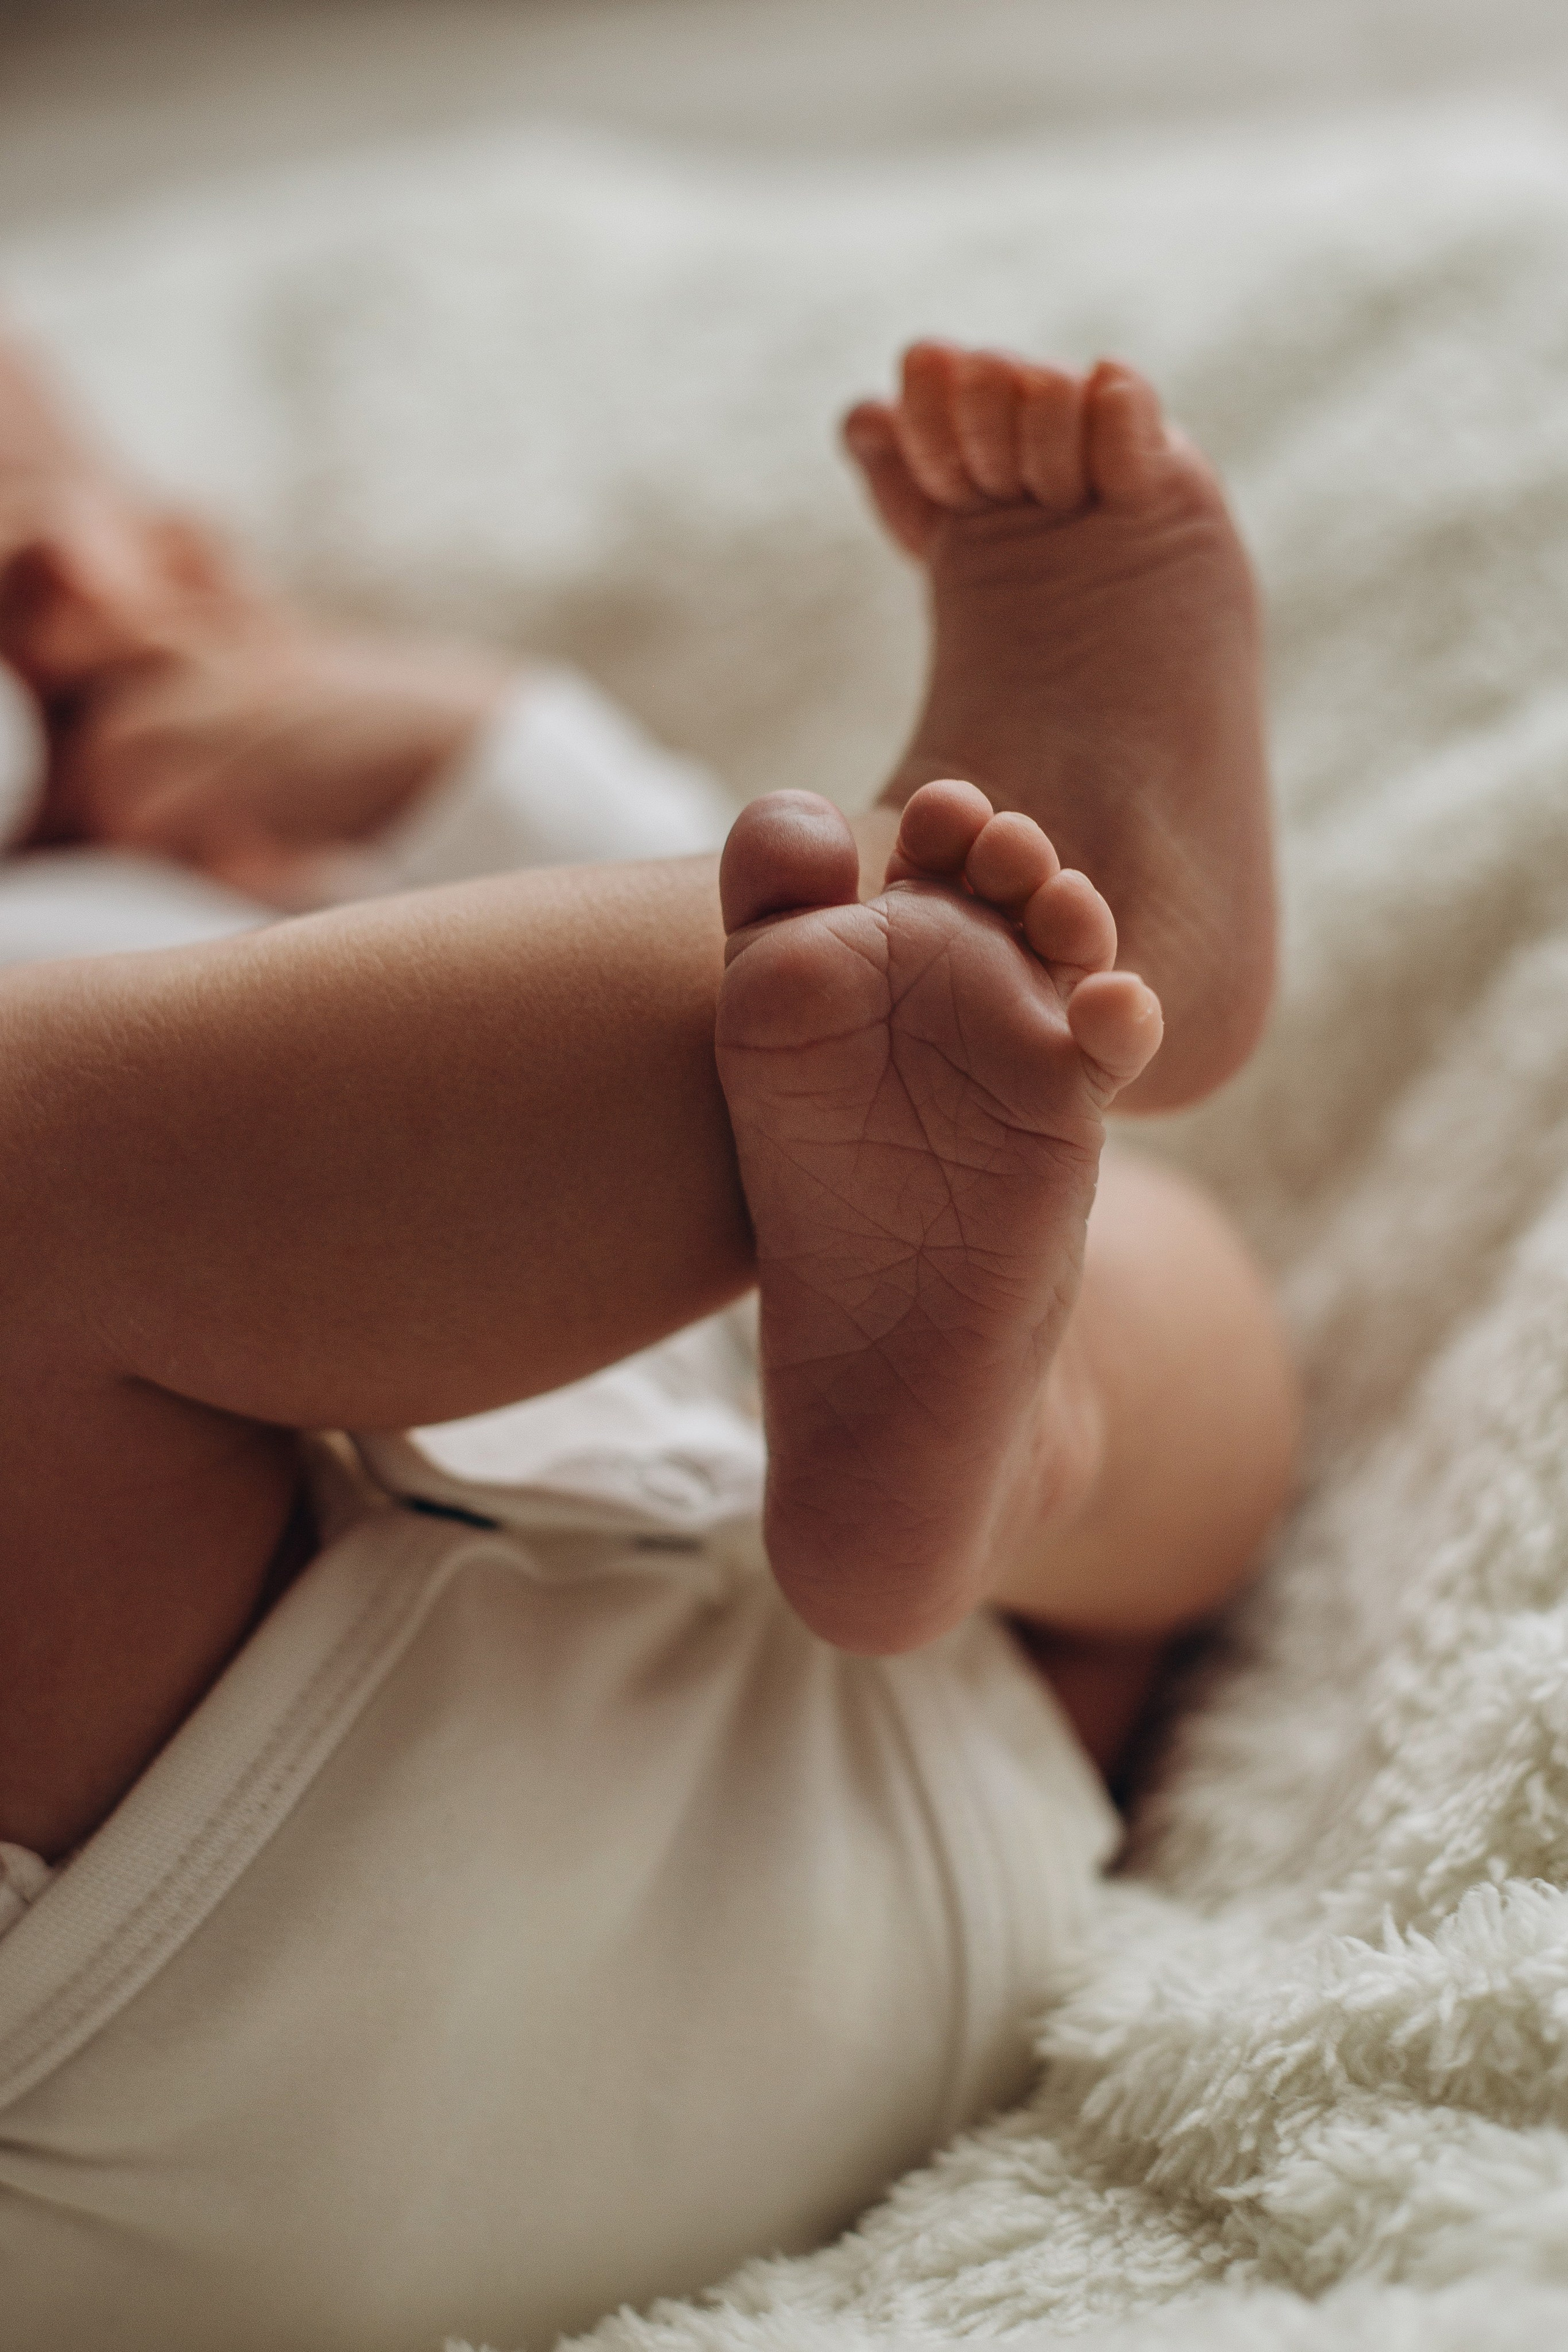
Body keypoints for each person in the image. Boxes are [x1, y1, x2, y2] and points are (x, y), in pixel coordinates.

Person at [0, 334, 1297, 2352]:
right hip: (152, 1963)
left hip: (854, 1700)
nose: (77, 600)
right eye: (6, 602)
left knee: (1103, 1222)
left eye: (131, 543)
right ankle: (1050, 907)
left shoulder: (285, 865)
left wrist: (451, 755)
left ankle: (1014, 1433)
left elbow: (847, 1048)